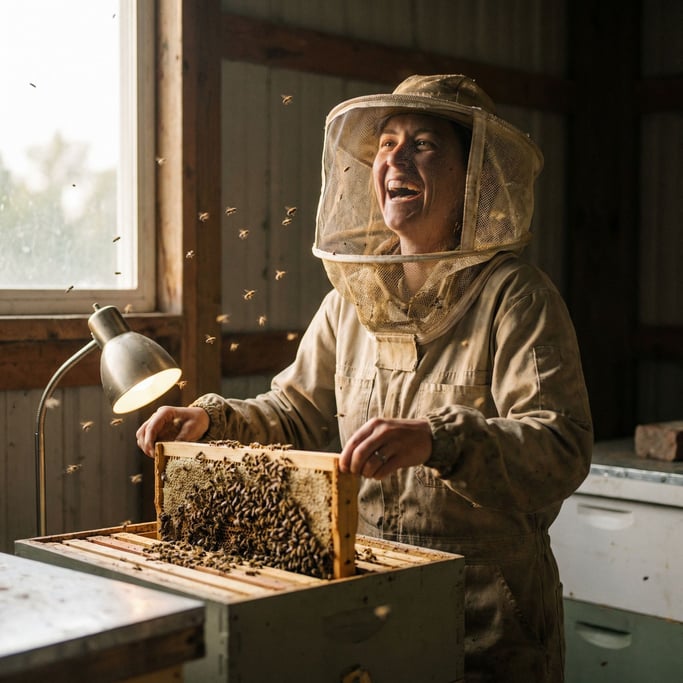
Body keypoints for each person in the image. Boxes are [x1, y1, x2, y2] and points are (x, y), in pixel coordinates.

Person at [137, 74, 593, 682]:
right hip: (374, 590)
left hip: (488, 612)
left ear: (473, 174)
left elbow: (558, 447)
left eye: (424, 144)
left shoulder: (517, 298)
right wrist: (212, 421)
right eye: (386, 144)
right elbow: (293, 412)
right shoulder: (354, 299)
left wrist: (440, 440)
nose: (395, 159)